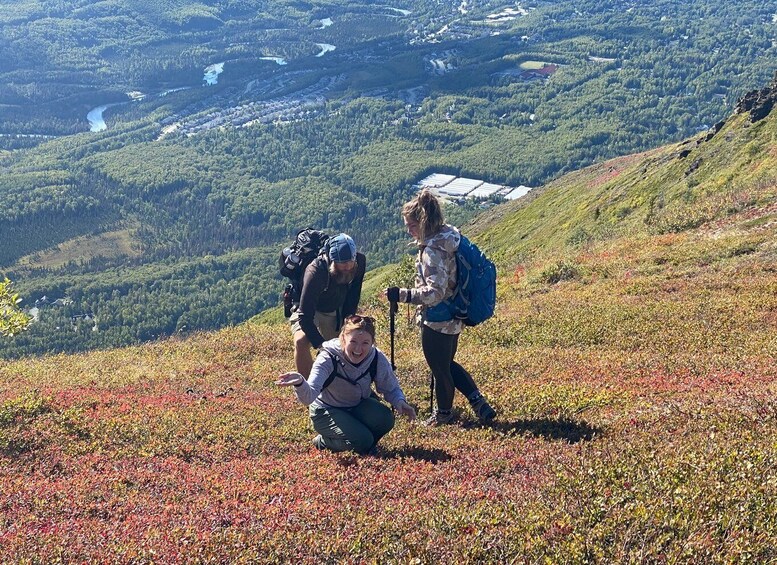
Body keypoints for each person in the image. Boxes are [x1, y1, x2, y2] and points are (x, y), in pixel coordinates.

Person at [384, 189, 497, 426]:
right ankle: (479, 403)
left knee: (439, 368)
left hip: (438, 316)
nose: (409, 230)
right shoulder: (448, 237)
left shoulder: (432, 251)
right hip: (456, 311)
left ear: (424, 222)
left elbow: (435, 292)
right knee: (446, 363)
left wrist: (402, 295)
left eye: (412, 225)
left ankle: (444, 415)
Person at [277, 314, 416, 454]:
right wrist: (300, 383)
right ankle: (323, 441)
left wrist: (400, 401)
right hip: (326, 410)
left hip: (356, 406)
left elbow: (390, 387)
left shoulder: (376, 357)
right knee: (363, 440)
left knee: (386, 419)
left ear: (372, 342)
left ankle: (360, 442)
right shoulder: (327, 357)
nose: (358, 349)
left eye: (365, 343)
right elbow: (309, 397)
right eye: (353, 341)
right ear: (343, 338)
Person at [289, 233, 366, 377]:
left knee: (348, 341)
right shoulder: (315, 271)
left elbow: (353, 296)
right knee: (301, 341)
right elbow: (305, 316)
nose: (347, 268)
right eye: (342, 265)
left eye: (350, 264)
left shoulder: (359, 262)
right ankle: (309, 390)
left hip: (335, 308)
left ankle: (350, 381)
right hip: (308, 309)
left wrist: (348, 324)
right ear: (331, 260)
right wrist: (321, 345)